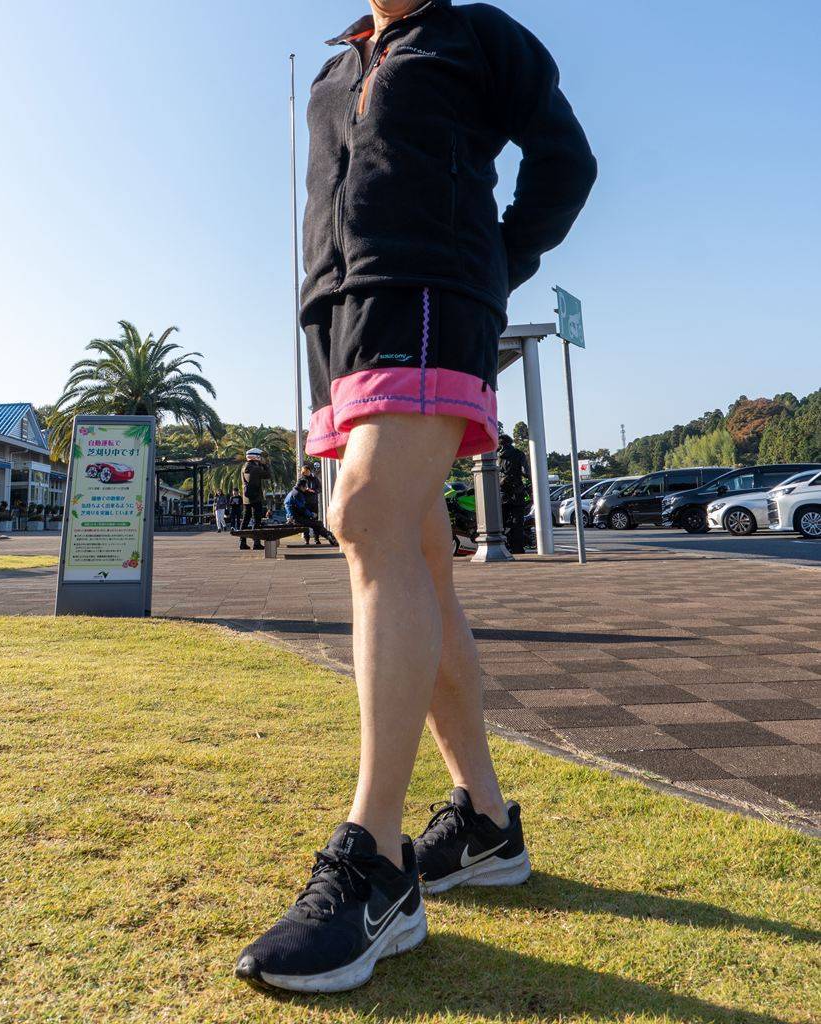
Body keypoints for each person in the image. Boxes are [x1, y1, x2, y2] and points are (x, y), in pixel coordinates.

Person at [236, 0, 596, 993]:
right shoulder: (333, 67)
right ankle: (483, 819)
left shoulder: (475, 34)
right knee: (420, 558)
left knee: (363, 515)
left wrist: (495, 257)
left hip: (436, 291)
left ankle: (378, 860)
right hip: (339, 314)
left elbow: (566, 162)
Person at [498, 434, 531, 554]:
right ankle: (517, 548)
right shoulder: (518, 454)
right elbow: (526, 472)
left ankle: (503, 547)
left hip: (501, 493)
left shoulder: (496, 455)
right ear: (511, 442)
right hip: (517, 492)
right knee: (518, 522)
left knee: (501, 521)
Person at [284, 479, 337, 544]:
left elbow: (291, 506)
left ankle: (312, 540)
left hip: (292, 518)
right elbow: (302, 509)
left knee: (313, 522)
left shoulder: (291, 493)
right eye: (305, 487)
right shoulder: (297, 494)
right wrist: (311, 514)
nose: (306, 488)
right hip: (296, 519)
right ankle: (331, 538)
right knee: (318, 524)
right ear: (301, 487)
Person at [239, 449, 271, 551]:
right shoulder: (256, 468)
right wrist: (264, 465)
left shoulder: (244, 467)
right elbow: (268, 475)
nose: (261, 458)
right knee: (257, 520)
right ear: (256, 457)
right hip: (256, 497)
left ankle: (242, 542)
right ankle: (256, 542)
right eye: (260, 456)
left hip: (246, 498)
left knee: (245, 520)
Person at [299, 463, 325, 545]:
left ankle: (316, 539)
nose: (305, 473)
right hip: (305, 503)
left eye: (307, 471)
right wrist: (304, 490)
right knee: (305, 521)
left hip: (314, 503)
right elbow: (297, 489)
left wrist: (314, 491)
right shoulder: (301, 480)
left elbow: (320, 489)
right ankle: (306, 539)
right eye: (304, 471)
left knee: (315, 521)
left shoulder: (315, 479)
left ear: (309, 471)